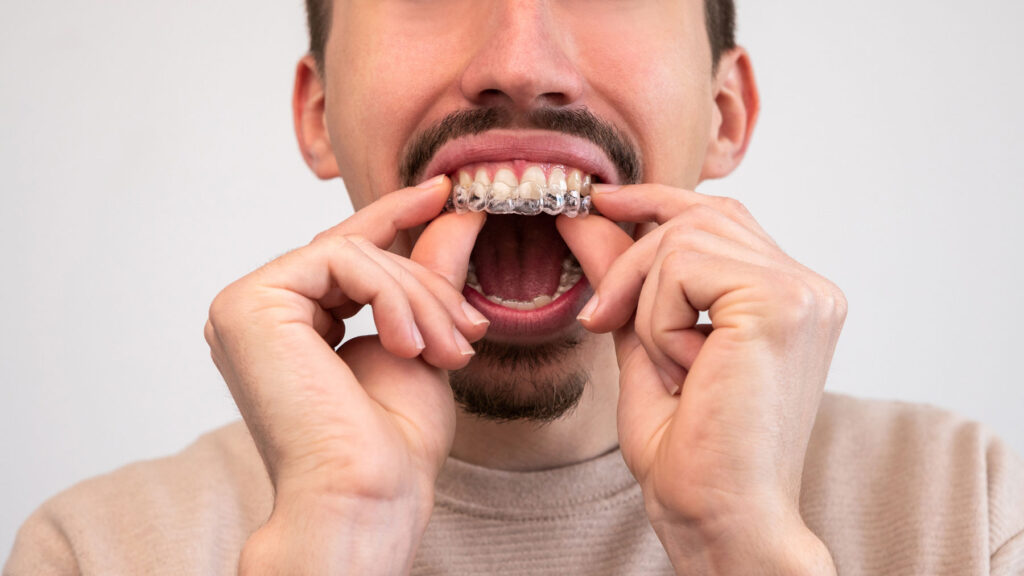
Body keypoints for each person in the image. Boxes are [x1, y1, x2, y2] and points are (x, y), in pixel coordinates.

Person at [6, 1, 1024, 574]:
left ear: (724, 114)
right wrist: (335, 538)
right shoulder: (95, 552)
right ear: (317, 112)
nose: (519, 64)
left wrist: (740, 545)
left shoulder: (970, 512)